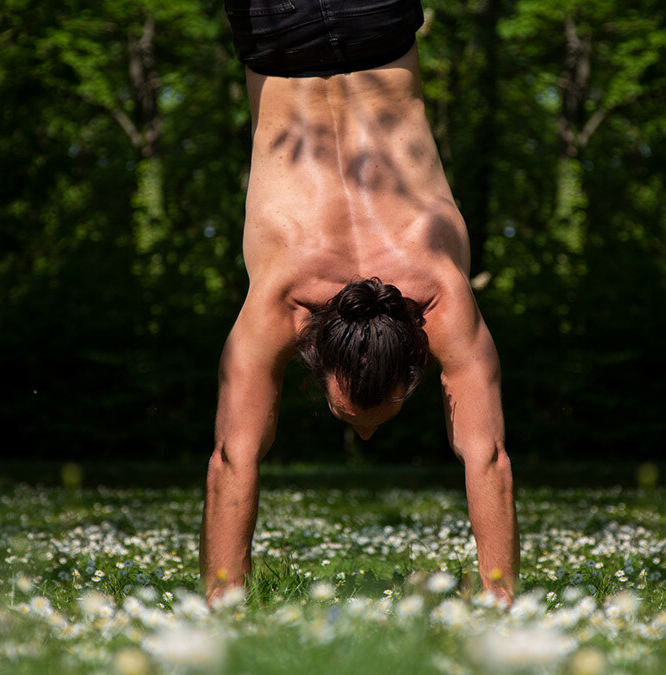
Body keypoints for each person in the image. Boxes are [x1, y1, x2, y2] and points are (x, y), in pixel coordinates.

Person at [201, 0, 518, 607]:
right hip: (275, 42)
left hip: (379, 32)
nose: (367, 441)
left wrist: (224, 609)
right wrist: (497, 604)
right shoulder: (283, 301)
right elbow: (228, 462)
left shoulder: (439, 294)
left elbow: (492, 462)